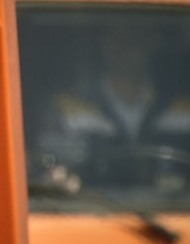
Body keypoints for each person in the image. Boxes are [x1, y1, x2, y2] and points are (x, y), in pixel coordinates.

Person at [33, 23, 190, 190]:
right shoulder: (66, 107)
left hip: (171, 211)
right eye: (115, 37)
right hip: (88, 211)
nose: (124, 46)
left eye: (134, 37)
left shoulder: (182, 108)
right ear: (102, 42)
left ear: (153, 42)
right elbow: (49, 172)